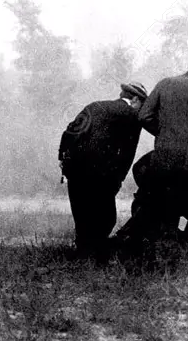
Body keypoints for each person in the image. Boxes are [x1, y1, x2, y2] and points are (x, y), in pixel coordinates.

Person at [137, 50, 188, 261]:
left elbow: (144, 116)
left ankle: (163, 259)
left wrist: (164, 135)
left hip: (165, 162)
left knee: (165, 210)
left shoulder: (165, 83)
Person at [58, 81, 147, 259]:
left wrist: (63, 159)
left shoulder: (95, 106)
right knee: (105, 218)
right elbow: (128, 153)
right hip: (103, 173)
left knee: (81, 212)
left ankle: (82, 253)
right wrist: (119, 179)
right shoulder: (132, 116)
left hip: (76, 169)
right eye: (142, 105)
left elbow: (70, 132)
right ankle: (97, 256)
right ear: (136, 99)